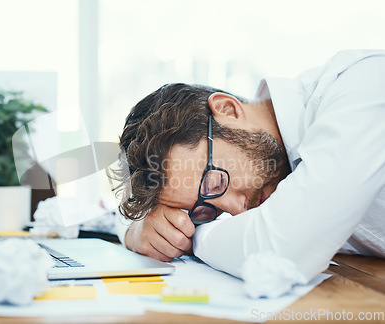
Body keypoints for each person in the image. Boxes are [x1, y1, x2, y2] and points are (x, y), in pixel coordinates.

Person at [113, 49, 385, 297]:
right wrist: (137, 231)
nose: (237, 211)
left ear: (228, 110)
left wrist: (191, 238)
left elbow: (280, 253)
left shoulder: (359, 87)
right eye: (204, 211)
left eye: (215, 181)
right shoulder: (273, 175)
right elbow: (109, 212)